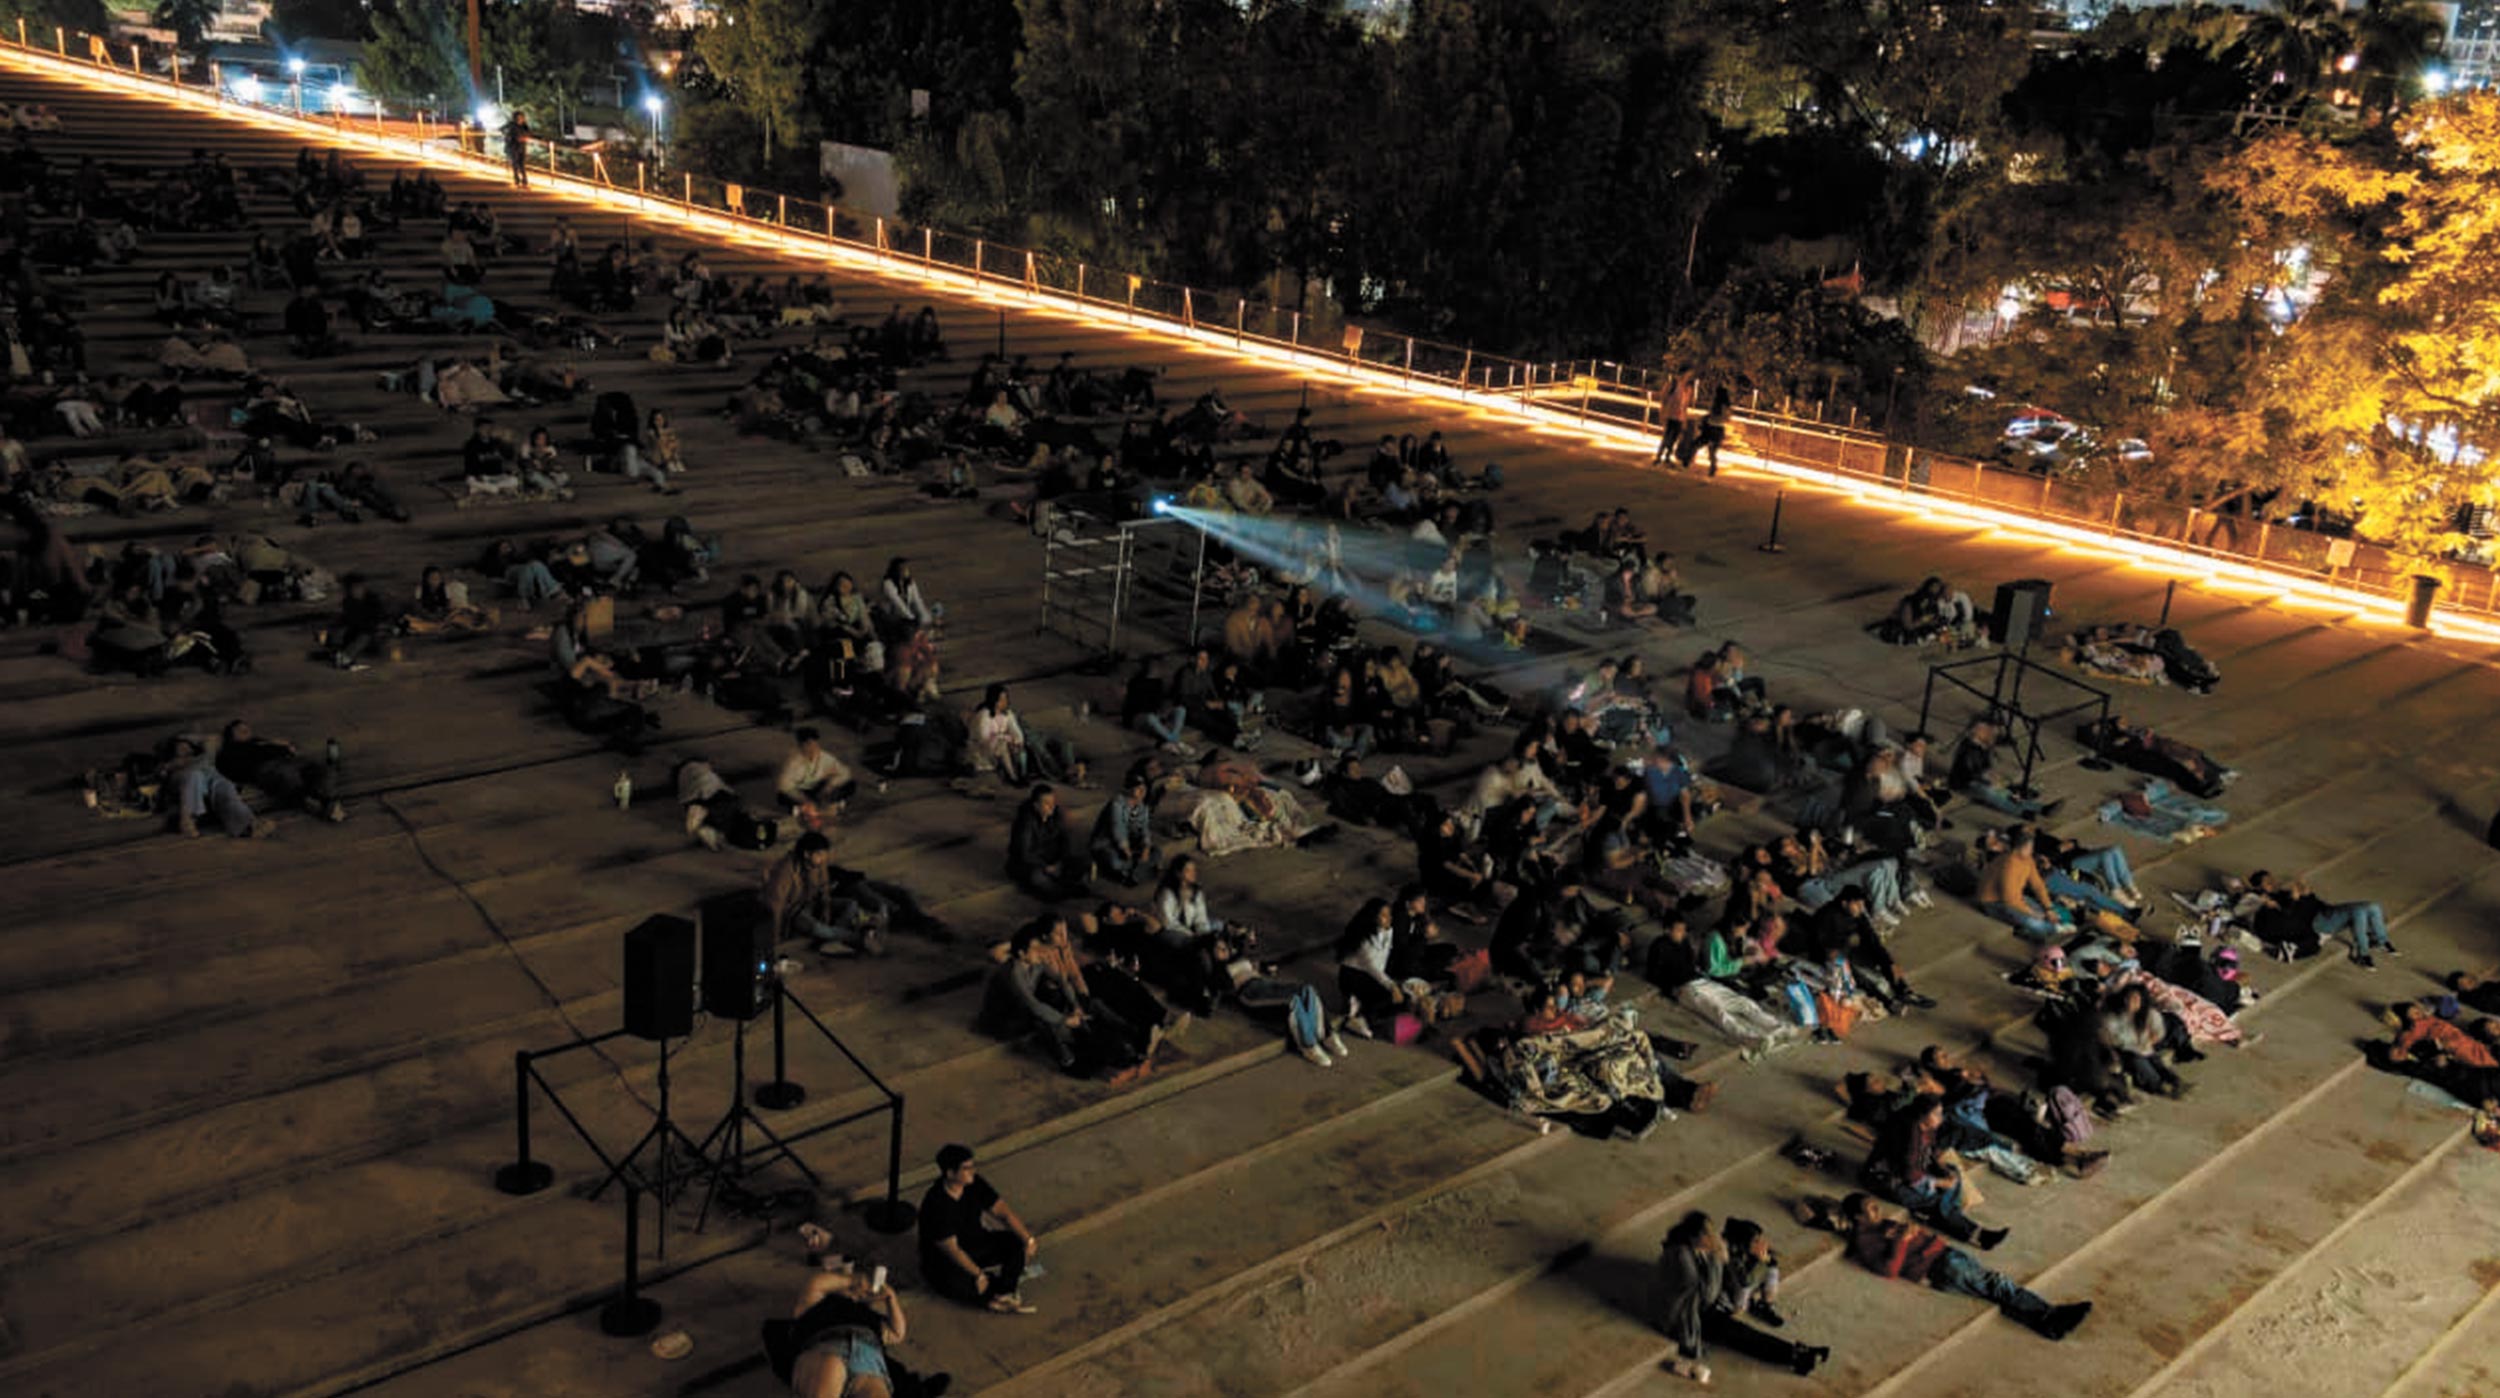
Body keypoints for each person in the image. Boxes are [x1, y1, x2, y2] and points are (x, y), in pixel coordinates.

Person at [1831, 1193, 2092, 1340]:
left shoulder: (1882, 1225)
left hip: (1945, 1255)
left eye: (1875, 1205)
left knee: (1993, 1289)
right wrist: (1902, 1240)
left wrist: (1911, 1233)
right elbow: (1889, 1270)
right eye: (1871, 1209)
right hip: (1938, 1266)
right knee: (1996, 1283)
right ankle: (2050, 1314)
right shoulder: (1865, 1241)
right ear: (1858, 1217)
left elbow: (1908, 1238)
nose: (1878, 1209)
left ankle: (2045, 1324)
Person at [1653, 1211, 1830, 1383]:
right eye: (1708, 1234)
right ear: (1695, 1237)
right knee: (1739, 1335)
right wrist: (1717, 1259)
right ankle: (1795, 1355)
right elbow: (1707, 1295)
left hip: (1699, 1308)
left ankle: (1796, 1353)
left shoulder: (1700, 1251)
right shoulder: (1681, 1255)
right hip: (1682, 1318)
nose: (1713, 1237)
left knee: (1742, 1333)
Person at [768, 1237, 919, 1398]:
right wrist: (852, 1281)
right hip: (828, 1346)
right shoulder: (818, 1302)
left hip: (868, 1360)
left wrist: (891, 1299)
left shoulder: (869, 1316)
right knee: (828, 1374)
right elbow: (816, 1284)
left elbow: (896, 1333)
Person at [917, 1144, 1039, 1314]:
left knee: (1015, 1243)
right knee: (954, 1284)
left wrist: (1028, 1240)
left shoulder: (974, 1184)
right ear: (950, 1173)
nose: (972, 1171)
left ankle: (1003, 1294)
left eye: (972, 1166)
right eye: (966, 1168)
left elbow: (1003, 1212)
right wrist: (978, 1274)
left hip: (975, 1242)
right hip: (945, 1260)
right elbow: (952, 1250)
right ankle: (990, 1297)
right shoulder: (936, 1203)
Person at [763, 832, 889, 956]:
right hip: (794, 912)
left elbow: (824, 889)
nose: (823, 858)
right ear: (807, 854)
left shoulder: (818, 864)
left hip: (812, 903)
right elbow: (775, 906)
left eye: (824, 854)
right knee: (817, 928)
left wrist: (826, 911)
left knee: (851, 904)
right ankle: (860, 939)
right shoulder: (785, 870)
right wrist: (775, 936)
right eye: (819, 854)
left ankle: (832, 940)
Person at [1006, 784, 1089, 900]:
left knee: (1081, 862)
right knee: (1039, 880)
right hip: (1031, 864)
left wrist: (1060, 862)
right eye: (1047, 803)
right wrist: (1046, 867)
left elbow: (1065, 840)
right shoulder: (1025, 822)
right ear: (1036, 805)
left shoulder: (1056, 815)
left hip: (1051, 859)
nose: (1051, 806)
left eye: (1053, 802)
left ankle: (1064, 885)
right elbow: (1024, 853)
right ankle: (1063, 889)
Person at [1089, 774, 1158, 886]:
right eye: (1138, 788)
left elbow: (1144, 830)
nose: (1142, 791)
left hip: (1131, 844)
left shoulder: (1142, 808)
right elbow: (1118, 830)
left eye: (1144, 788)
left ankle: (1132, 871)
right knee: (1115, 862)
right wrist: (1127, 852)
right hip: (1108, 844)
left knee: (1156, 853)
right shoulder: (1117, 804)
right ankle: (1135, 870)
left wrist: (1146, 848)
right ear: (1129, 789)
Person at [778, 728, 858, 819]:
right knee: (782, 797)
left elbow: (844, 772)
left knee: (850, 785)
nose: (812, 748)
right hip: (803, 792)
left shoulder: (825, 757)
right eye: (808, 745)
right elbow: (784, 785)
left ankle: (830, 805)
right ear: (801, 746)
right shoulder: (793, 761)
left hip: (819, 790)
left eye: (814, 744)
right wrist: (804, 799)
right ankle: (804, 809)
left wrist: (829, 787)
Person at [502, 110, 531, 188]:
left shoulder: (524, 126)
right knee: (515, 164)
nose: (520, 119)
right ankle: (517, 180)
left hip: (522, 147)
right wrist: (509, 137)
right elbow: (502, 129)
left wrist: (524, 137)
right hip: (513, 147)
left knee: (522, 164)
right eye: (518, 117)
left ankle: (524, 181)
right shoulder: (511, 125)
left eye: (521, 117)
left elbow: (529, 133)